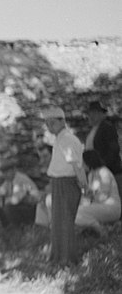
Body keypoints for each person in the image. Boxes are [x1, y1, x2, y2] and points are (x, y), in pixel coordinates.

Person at [42, 106, 87, 265]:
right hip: (59, 182)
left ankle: (67, 259)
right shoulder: (61, 138)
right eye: (47, 123)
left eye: (52, 123)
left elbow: (75, 164)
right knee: (59, 221)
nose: (49, 126)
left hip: (66, 183)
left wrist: (83, 184)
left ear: (62, 122)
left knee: (65, 221)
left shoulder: (67, 139)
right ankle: (58, 257)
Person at [85, 100, 122, 215]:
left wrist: (104, 165)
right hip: (97, 172)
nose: (91, 116)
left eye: (95, 113)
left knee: (113, 198)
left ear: (101, 114)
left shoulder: (107, 127)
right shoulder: (93, 130)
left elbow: (114, 149)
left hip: (110, 171)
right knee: (100, 198)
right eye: (90, 113)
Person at [75, 150, 121, 236]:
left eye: (83, 162)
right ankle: (102, 228)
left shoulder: (104, 172)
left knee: (78, 213)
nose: (81, 165)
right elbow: (90, 197)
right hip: (99, 206)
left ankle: (101, 230)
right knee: (76, 211)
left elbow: (102, 197)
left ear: (88, 161)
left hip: (111, 207)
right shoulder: (91, 174)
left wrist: (90, 195)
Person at [0, 160, 40, 229]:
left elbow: (15, 200)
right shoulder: (9, 180)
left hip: (34, 207)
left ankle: (22, 227)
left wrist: (4, 201)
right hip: (23, 204)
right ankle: (8, 227)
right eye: (3, 172)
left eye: (7, 171)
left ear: (13, 170)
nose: (5, 174)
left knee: (8, 207)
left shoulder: (20, 179)